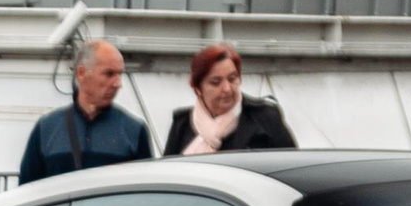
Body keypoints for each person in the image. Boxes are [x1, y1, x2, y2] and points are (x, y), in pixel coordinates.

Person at [20, 40, 150, 180]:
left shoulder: (135, 130)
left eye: (120, 74)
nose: (118, 83)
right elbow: (28, 190)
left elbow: (145, 194)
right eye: (109, 74)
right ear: (81, 73)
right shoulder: (46, 128)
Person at [162, 41, 296, 157]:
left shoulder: (264, 117)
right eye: (216, 82)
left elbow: (290, 167)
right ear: (198, 88)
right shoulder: (182, 124)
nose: (227, 88)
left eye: (232, 79)